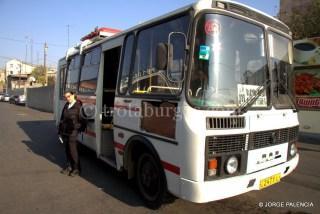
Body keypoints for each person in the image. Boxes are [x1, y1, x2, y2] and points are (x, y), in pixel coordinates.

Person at [58, 91, 83, 177]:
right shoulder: (66, 105)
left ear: (73, 95)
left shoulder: (78, 106)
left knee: (73, 150)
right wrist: (59, 131)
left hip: (73, 131)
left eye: (68, 96)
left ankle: (76, 169)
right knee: (67, 150)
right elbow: (62, 118)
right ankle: (69, 166)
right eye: (66, 97)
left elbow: (82, 120)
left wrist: (76, 128)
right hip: (65, 131)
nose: (67, 98)